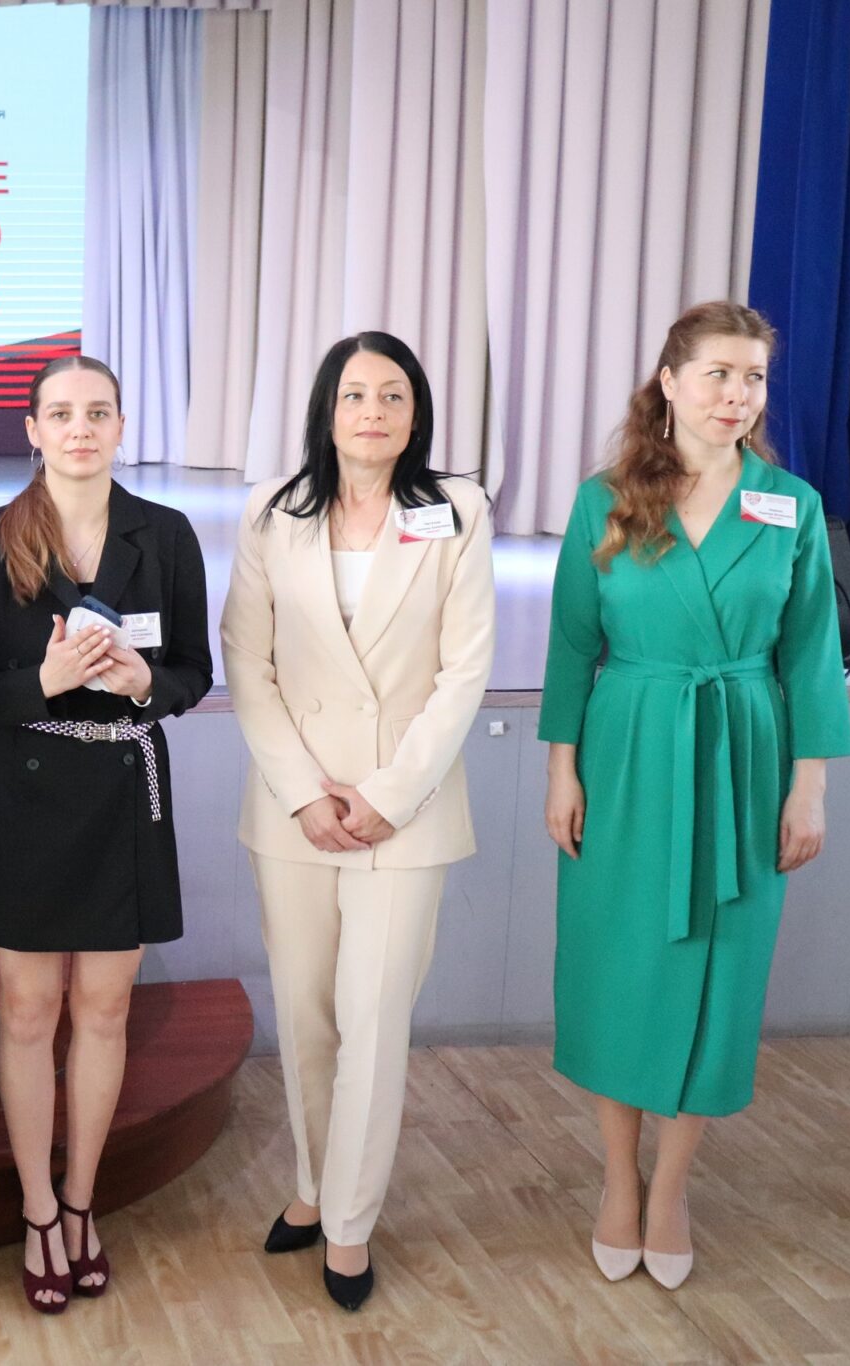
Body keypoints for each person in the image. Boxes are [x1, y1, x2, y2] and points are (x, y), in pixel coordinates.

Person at [541, 301, 850, 1290]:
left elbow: (811, 654)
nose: (736, 395)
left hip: (743, 756)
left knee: (722, 973)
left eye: (752, 377)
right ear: (669, 381)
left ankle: (670, 1188)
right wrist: (561, 770)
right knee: (616, 966)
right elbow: (571, 645)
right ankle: (617, 1179)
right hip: (627, 751)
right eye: (717, 373)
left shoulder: (789, 505)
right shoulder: (604, 501)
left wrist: (808, 787)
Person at [222, 331, 494, 1312]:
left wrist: (385, 794)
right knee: (305, 1015)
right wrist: (304, 790)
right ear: (325, 413)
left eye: (391, 394)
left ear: (415, 414)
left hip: (402, 812)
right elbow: (245, 659)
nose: (371, 410)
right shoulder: (272, 510)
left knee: (373, 1023)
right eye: (352, 394)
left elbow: (465, 668)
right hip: (293, 807)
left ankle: (348, 1222)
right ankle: (310, 1182)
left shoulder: (456, 509)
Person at [0, 355, 213, 1315]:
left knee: (104, 1009)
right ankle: (35, 1211)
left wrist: (148, 687)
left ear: (121, 425)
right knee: (28, 1012)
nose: (80, 429)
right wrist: (45, 684)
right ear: (33, 430)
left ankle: (82, 1200)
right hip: (22, 790)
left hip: (125, 790)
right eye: (60, 413)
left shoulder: (166, 533)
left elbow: (193, 670)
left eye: (98, 412)